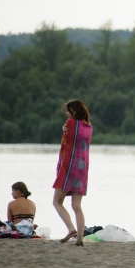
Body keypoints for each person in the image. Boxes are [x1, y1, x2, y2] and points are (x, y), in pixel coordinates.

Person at [52, 99, 93, 246]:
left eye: (68, 111)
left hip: (68, 168)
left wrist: (65, 129)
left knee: (57, 202)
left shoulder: (70, 124)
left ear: (73, 111)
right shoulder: (88, 127)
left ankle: (71, 229)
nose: (66, 113)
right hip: (82, 170)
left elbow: (66, 143)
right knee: (77, 205)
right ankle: (80, 238)